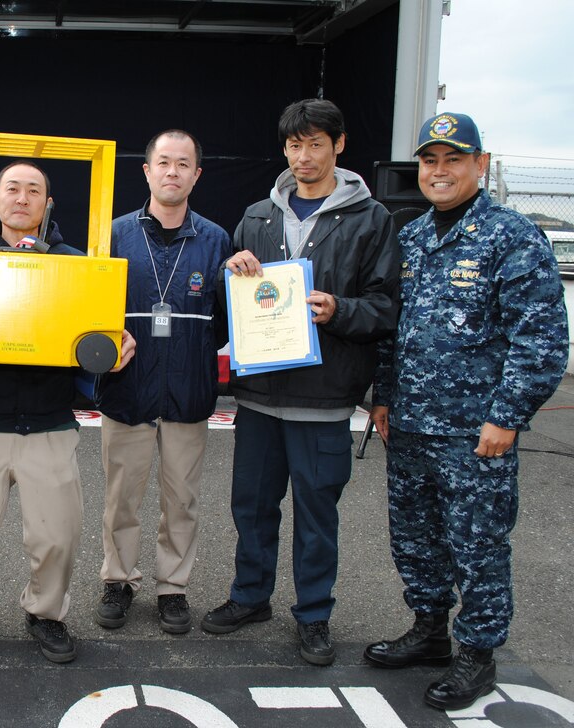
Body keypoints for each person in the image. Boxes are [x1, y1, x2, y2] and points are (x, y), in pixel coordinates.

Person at [364, 113, 568, 711]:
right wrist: (384, 395)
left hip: (475, 431)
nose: (440, 170)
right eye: (430, 160)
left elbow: (541, 340)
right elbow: (392, 328)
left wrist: (506, 417)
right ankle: (429, 632)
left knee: (477, 545)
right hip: (410, 425)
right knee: (416, 538)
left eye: (454, 158)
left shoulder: (511, 237)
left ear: (481, 164)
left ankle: (476, 652)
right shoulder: (413, 237)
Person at [202, 98, 399, 666]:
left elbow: (386, 308)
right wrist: (230, 275)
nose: (304, 155)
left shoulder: (371, 219)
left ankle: (313, 614)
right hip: (261, 396)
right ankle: (250, 597)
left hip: (324, 397)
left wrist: (338, 309)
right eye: (295, 144)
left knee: (317, 514)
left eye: (316, 143)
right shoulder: (257, 217)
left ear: (339, 146)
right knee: (252, 506)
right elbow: (232, 305)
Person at [0, 160, 134, 664]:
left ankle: (45, 613)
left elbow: (96, 344)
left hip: (49, 424)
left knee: (57, 536)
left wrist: (113, 350)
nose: (22, 198)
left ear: (47, 205)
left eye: (34, 190)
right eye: (12, 190)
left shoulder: (76, 264)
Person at [93, 130, 231, 634]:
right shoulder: (112, 235)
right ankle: (118, 580)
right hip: (127, 390)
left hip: (188, 392)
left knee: (182, 499)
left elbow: (224, 320)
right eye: (164, 162)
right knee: (121, 497)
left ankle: (173, 587)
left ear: (197, 174)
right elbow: (90, 312)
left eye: (183, 164)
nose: (172, 171)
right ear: (146, 170)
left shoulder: (217, 239)